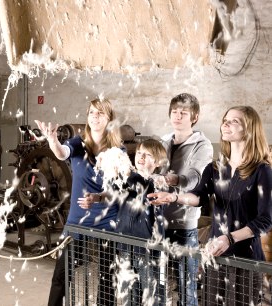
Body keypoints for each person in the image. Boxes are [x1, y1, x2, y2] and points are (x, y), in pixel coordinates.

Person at [149, 105, 272, 305]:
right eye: (225, 119)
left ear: (249, 129)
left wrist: (230, 238)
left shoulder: (262, 171)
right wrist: (175, 198)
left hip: (246, 258)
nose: (226, 123)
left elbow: (265, 220)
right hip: (215, 254)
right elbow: (199, 197)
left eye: (235, 121)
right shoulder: (216, 167)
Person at [35, 98, 123, 306]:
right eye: (92, 112)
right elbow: (61, 153)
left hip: (107, 220)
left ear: (109, 118)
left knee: (107, 277)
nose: (95, 116)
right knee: (61, 275)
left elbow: (119, 191)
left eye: (100, 113)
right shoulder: (78, 143)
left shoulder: (118, 152)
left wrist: (99, 197)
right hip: (78, 221)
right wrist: (53, 141)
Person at [160, 93, 213, 306]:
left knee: (186, 287)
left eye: (184, 113)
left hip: (184, 227)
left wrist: (173, 179)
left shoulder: (203, 145)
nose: (178, 116)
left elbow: (194, 178)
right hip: (159, 224)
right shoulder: (163, 141)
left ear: (195, 117)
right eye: (174, 112)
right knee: (159, 283)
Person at [113, 139, 167, 305]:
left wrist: (128, 174)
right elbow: (115, 192)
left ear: (157, 162)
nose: (141, 157)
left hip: (148, 250)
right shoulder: (128, 180)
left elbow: (141, 186)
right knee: (128, 295)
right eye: (138, 153)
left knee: (151, 294)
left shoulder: (157, 182)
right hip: (124, 247)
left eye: (147, 155)